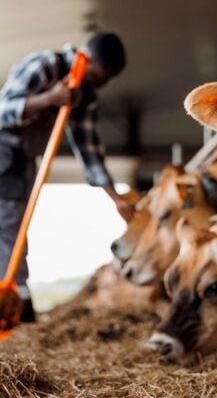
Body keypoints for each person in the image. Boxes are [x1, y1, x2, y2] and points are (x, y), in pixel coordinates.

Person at [0, 32, 135, 321]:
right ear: (88, 59)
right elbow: (3, 109)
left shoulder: (84, 95)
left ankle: (18, 303)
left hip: (22, 162)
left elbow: (90, 150)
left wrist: (115, 198)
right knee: (10, 228)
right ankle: (19, 308)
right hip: (4, 153)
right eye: (103, 75)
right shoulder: (45, 65)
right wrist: (49, 98)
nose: (104, 83)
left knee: (17, 229)